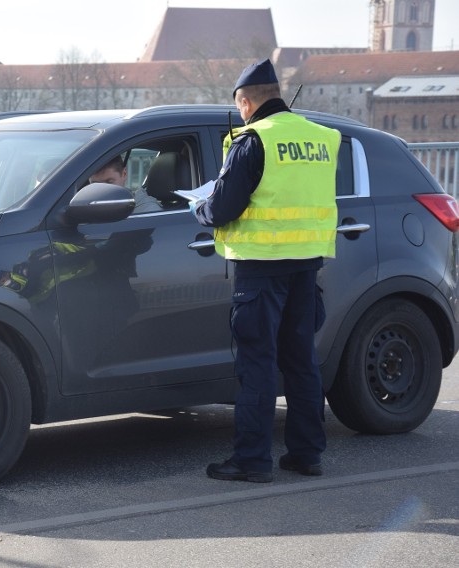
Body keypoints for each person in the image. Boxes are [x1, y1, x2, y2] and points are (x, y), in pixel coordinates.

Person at [190, 59, 340, 483]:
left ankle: (252, 460)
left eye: (239, 106)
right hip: (308, 264)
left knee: (256, 363)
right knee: (301, 361)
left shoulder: (254, 139)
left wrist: (199, 209)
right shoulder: (322, 138)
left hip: (261, 266)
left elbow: (222, 208)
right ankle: (307, 454)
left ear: (245, 99)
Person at [89, 155, 162, 214]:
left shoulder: (147, 212)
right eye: (96, 185)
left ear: (124, 174)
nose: (102, 191)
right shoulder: (85, 206)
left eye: (109, 183)